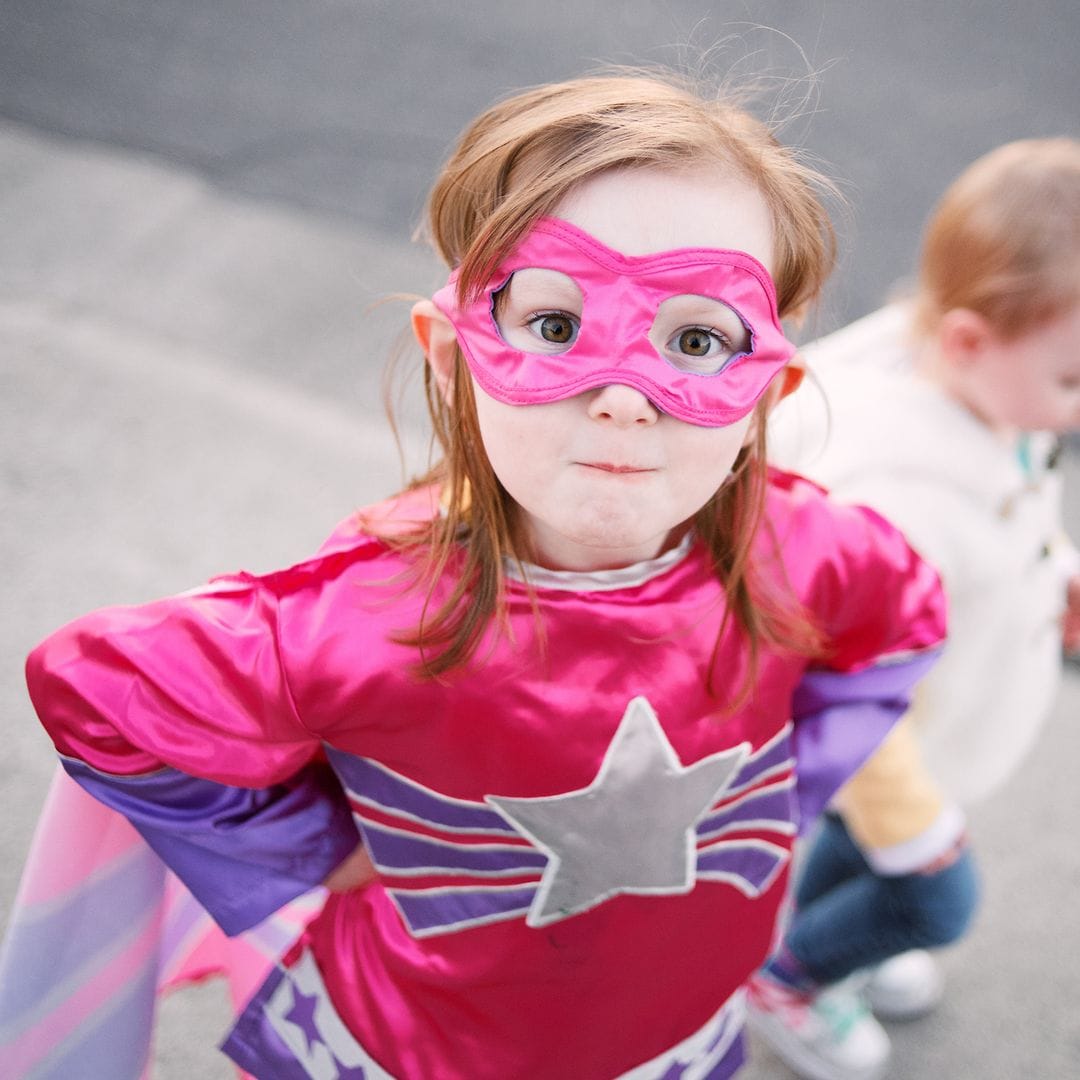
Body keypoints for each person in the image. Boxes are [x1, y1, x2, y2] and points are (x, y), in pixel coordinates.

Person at [22, 71, 947, 1080]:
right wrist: (317, 848)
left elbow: (903, 621)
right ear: (452, 350)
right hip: (414, 1052)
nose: (625, 397)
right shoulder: (363, 617)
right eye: (557, 326)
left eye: (695, 341)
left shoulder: (813, 555)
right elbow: (101, 691)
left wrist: (775, 799)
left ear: (767, 388)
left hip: (677, 1042)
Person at [751, 137, 1080, 1080]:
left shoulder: (987, 394)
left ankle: (846, 935)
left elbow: (1019, 500)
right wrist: (916, 827)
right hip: (892, 750)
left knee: (862, 860)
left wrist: (1054, 571)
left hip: (937, 719)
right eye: (1073, 381)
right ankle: (791, 981)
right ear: (971, 339)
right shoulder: (897, 501)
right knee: (938, 898)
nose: (1077, 406)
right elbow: (839, 680)